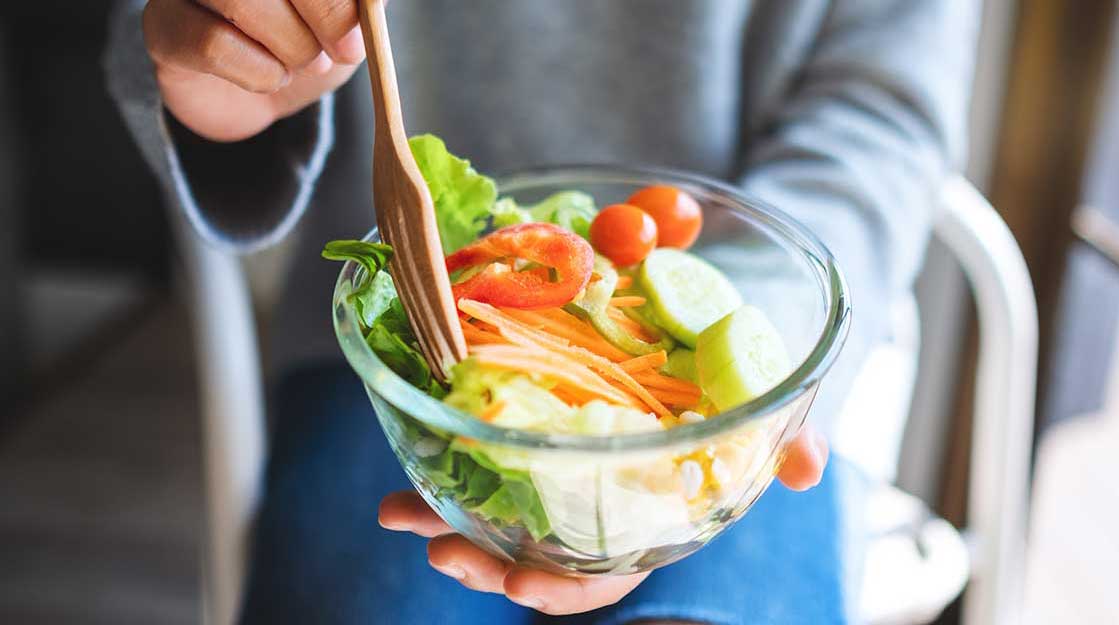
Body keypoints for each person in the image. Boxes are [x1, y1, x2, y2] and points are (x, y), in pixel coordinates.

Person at [106, 1, 976, 622]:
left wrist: (758, 357)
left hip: (738, 393)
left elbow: (880, 116)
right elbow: (154, 35)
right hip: (399, 367)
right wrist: (219, 69)